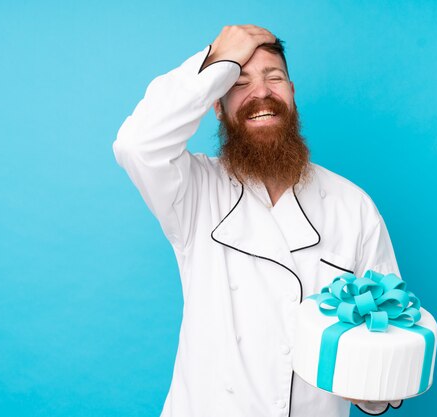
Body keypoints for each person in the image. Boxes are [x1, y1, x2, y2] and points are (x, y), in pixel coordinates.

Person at [113, 25, 403, 417]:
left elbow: (389, 329)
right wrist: (217, 56)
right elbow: (136, 144)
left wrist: (375, 382)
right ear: (216, 103)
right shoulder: (194, 191)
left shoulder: (352, 206)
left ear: (292, 93)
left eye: (274, 78)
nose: (261, 93)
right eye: (239, 82)